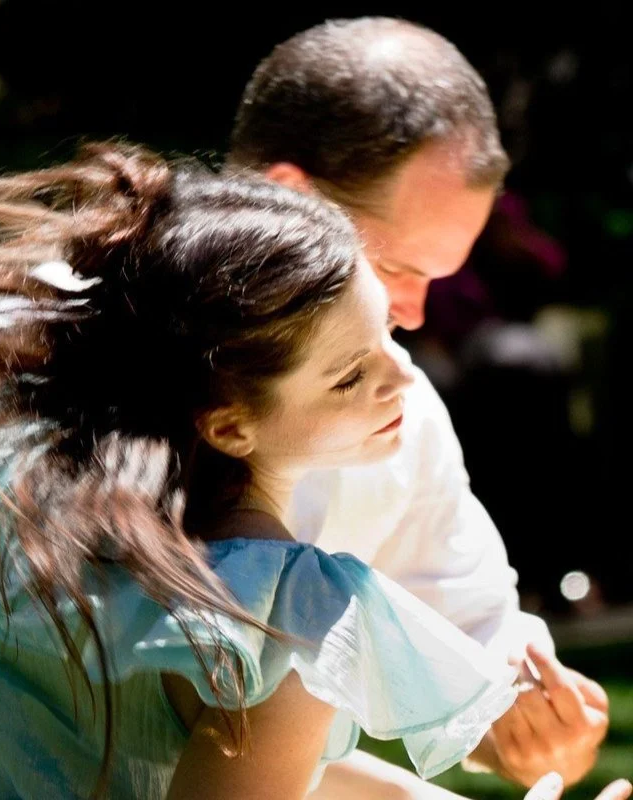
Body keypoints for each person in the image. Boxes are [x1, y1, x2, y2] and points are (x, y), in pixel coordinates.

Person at [0, 142, 524, 798]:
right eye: (349, 375)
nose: (403, 378)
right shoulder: (285, 619)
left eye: (387, 334)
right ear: (228, 426)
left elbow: (157, 757)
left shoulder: (37, 505)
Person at [228, 17, 609, 788]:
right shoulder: (78, 375)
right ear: (290, 197)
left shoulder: (399, 414)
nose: (415, 313)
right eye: (397, 267)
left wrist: (535, 725)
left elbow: (478, 638)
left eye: (438, 277)